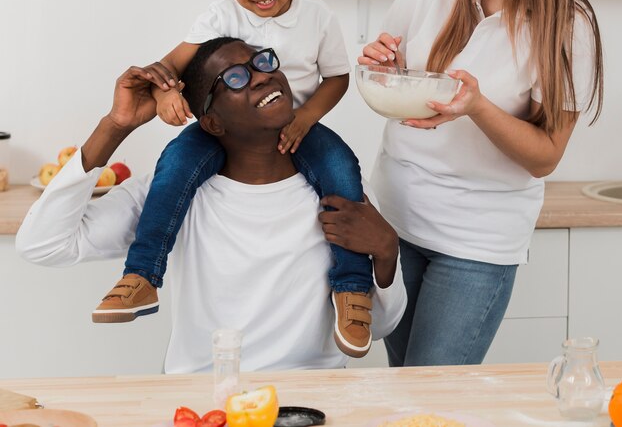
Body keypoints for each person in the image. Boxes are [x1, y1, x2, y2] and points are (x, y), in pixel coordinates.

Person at [92, 0, 375, 357]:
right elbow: (168, 65)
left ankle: (352, 287)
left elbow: (338, 78)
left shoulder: (319, 17)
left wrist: (306, 116)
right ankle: (142, 274)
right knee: (174, 166)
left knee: (342, 171)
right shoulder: (220, 14)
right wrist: (165, 91)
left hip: (292, 124)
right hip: (223, 128)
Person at [16, 38, 406, 372]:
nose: (262, 75)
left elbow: (379, 327)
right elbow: (42, 243)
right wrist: (115, 125)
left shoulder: (338, 186)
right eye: (235, 78)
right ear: (213, 122)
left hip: (313, 400)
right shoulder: (171, 192)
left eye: (262, 62)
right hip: (204, 399)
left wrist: (387, 251)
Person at [358, 0, 603, 367]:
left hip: (476, 238)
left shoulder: (568, 25)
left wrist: (477, 106)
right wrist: (380, 59)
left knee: (433, 392)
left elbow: (544, 157)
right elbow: (393, 69)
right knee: (405, 387)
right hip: (397, 215)